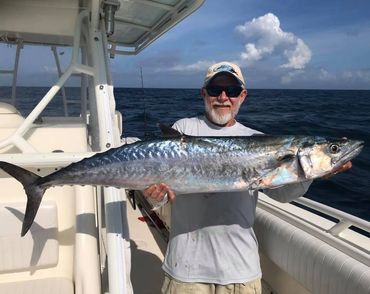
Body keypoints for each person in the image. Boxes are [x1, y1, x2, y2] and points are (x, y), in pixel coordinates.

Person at [143, 61, 352, 294]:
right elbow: (166, 185)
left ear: (242, 96)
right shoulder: (184, 128)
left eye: (231, 91)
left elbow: (282, 194)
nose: (223, 97)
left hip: (241, 270)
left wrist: (311, 175)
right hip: (186, 268)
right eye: (215, 90)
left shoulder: (256, 137)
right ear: (204, 93)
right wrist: (155, 194)